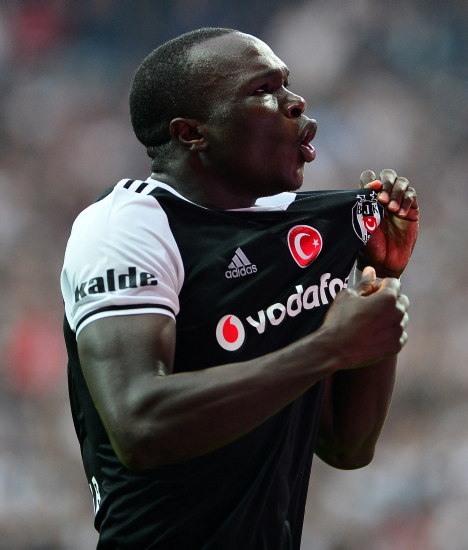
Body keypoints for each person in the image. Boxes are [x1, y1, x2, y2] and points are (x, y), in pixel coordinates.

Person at [60, 27, 418, 549]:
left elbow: (347, 444)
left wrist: (378, 277)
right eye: (263, 90)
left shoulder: (289, 239)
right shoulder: (129, 225)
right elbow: (140, 424)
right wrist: (329, 347)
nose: (295, 102)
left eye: (287, 84)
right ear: (191, 133)